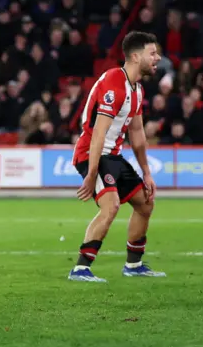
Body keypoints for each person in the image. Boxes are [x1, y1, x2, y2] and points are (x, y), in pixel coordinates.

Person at [69, 31, 166, 282]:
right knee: (110, 206)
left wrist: (146, 172)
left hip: (112, 156)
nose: (157, 58)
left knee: (145, 203)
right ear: (135, 56)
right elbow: (99, 133)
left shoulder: (137, 90)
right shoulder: (115, 81)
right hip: (92, 153)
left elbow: (138, 134)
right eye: (152, 53)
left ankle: (133, 266)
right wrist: (91, 176)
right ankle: (80, 268)